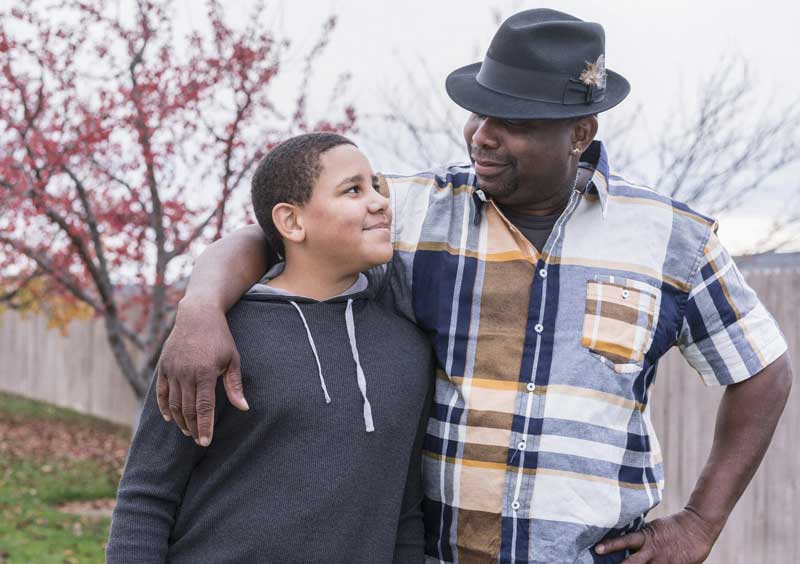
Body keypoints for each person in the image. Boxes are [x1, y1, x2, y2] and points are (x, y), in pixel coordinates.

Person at [155, 9, 793, 564]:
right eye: (479, 112)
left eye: (512, 120)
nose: (482, 135)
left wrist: (702, 520)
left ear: (579, 134)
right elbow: (268, 236)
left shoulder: (673, 238)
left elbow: (761, 370)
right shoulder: (411, 213)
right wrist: (202, 307)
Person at [106, 133, 433, 563]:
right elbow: (147, 496)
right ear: (292, 222)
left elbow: (404, 512)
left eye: (376, 187)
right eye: (353, 190)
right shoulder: (215, 339)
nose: (379, 202)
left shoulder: (408, 347)